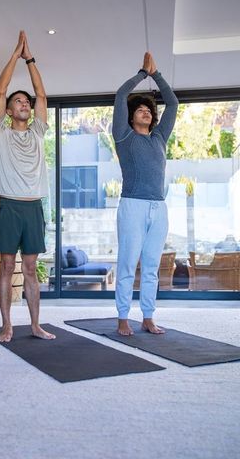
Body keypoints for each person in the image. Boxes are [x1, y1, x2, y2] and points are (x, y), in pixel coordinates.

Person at [0, 30, 55, 342]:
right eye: (18, 100)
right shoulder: (0, 133)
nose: (25, 102)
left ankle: (35, 325)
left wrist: (31, 59)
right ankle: (6, 325)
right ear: (8, 110)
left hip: (33, 206)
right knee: (6, 266)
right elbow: (0, 90)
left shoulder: (39, 132)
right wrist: (15, 54)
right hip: (9, 205)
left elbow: (42, 96)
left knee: (30, 269)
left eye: (26, 101)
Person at [112, 52, 178, 336]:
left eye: (149, 111)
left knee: (152, 266)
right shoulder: (124, 137)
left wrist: (157, 75)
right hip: (133, 206)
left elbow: (173, 103)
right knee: (128, 263)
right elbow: (120, 95)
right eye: (140, 110)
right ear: (131, 116)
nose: (146, 112)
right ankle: (123, 317)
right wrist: (143, 73)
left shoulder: (159, 138)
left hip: (158, 208)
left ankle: (148, 316)